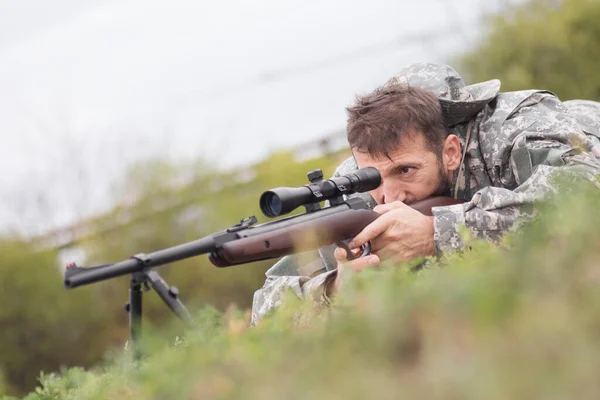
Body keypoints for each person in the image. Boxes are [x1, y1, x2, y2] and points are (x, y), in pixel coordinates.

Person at [251, 63, 600, 325]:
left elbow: (585, 191)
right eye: (373, 176)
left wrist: (436, 233)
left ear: (450, 151)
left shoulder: (515, 125)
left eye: (406, 171)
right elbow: (262, 309)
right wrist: (333, 290)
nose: (391, 197)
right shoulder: (353, 185)